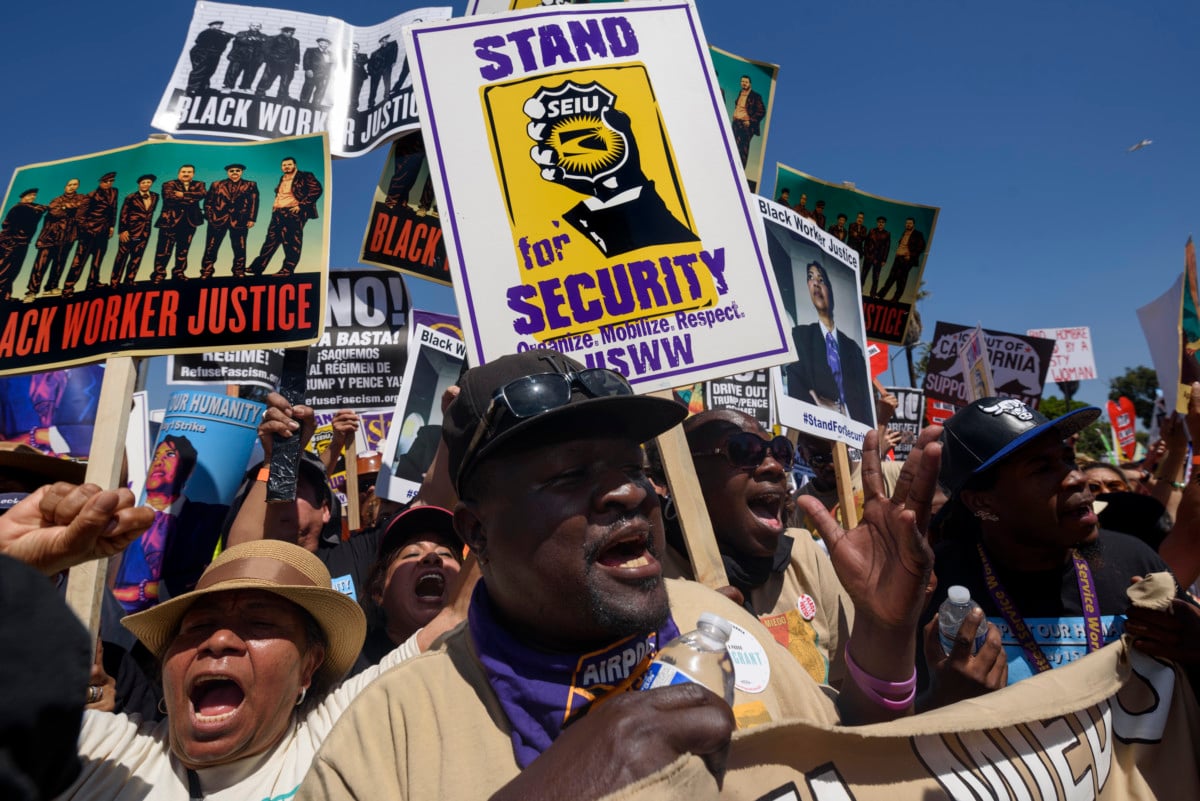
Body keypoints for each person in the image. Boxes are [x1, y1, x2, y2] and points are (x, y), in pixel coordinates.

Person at [300, 350, 947, 799]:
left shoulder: (717, 624)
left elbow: (851, 760)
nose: (629, 495)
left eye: (632, 467)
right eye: (570, 476)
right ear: (475, 534)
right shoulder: (387, 729)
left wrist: (886, 640)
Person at [924, 396, 1197, 688]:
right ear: (982, 502)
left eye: (1068, 460)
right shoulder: (937, 585)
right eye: (1042, 468)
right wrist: (942, 701)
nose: (1077, 478)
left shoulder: (1133, 559)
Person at [664, 409, 851, 686]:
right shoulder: (660, 586)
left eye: (780, 451)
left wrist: (886, 626)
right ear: (685, 476)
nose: (774, 466)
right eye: (743, 450)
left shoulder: (804, 556)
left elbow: (852, 694)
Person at [111, 435, 227, 612]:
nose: (159, 461)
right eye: (156, 457)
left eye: (170, 455)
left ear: (189, 470)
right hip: (114, 628)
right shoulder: (124, 520)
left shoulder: (213, 517)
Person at [353, 505, 464, 672]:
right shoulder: (349, 666)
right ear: (378, 591)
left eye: (445, 554)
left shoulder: (489, 656)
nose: (432, 557)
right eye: (412, 554)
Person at [784, 261, 873, 424]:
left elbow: (865, 405)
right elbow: (797, 392)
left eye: (821, 279)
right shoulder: (800, 337)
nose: (816, 283)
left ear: (830, 290)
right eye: (810, 278)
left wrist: (843, 411)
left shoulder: (853, 349)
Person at [247, 157, 323, 278]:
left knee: (292, 241)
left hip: (293, 212)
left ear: (295, 165)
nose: (286, 167)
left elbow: (317, 189)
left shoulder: (305, 176)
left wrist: (302, 205)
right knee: (270, 240)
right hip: (278, 212)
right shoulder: (282, 178)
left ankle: (287, 269)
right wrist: (275, 206)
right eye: (284, 165)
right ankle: (257, 267)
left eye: (289, 164)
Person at [23, 178, 86, 300]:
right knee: (40, 266)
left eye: (75, 185)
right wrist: (68, 209)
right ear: (65, 187)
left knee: (59, 264)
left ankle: (51, 288)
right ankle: (31, 292)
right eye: (69, 185)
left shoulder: (81, 198)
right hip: (50, 238)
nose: (72, 187)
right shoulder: (57, 200)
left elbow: (82, 210)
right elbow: (54, 212)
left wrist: (66, 207)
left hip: (67, 238)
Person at [62, 172, 118, 296]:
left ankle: (93, 283)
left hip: (103, 232)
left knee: (98, 260)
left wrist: (112, 226)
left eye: (111, 181)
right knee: (79, 261)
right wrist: (87, 230)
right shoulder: (91, 196)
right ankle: (67, 288)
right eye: (106, 181)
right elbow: (80, 217)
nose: (108, 184)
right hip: (89, 233)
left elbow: (113, 210)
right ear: (100, 182)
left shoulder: (114, 192)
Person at [201, 163, 258, 278]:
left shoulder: (250, 184)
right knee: (211, 246)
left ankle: (239, 271)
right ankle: (206, 271)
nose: (235, 173)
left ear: (241, 172)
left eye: (237, 170)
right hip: (217, 219)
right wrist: (210, 217)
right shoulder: (217, 184)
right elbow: (208, 202)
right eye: (232, 171)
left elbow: (254, 203)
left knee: (240, 247)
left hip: (240, 220)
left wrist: (252, 218)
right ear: (228, 172)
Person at [151, 165, 205, 283]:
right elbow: (170, 199)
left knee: (183, 250)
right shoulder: (168, 184)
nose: (186, 174)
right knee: (163, 251)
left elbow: (202, 195)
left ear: (193, 174)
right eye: (183, 171)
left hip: (190, 222)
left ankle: (178, 273)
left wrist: (183, 195)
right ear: (178, 173)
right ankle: (159, 274)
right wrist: (191, 198)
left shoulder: (199, 184)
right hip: (170, 222)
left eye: (189, 172)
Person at [109, 175, 158, 286]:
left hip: (144, 232)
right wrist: (122, 230)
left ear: (151, 184)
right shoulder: (130, 197)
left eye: (148, 182)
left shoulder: (155, 196)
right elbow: (123, 214)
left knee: (137, 257)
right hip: (130, 232)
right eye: (143, 182)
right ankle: (114, 282)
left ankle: (129, 280)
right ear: (139, 184)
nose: (146, 184)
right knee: (122, 257)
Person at [0, 189, 46, 301]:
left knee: (13, 270)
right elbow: (6, 224)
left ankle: (5, 296)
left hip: (21, 243)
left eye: (34, 196)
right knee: (5, 269)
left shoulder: (29, 207)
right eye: (30, 195)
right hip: (11, 243)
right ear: (23, 196)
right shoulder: (19, 208)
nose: (33, 197)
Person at [876, 216, 926, 301]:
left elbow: (922, 247)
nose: (908, 225)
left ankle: (896, 298)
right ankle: (880, 295)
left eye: (910, 223)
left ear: (913, 224)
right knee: (891, 277)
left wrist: (911, 255)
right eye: (907, 223)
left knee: (901, 279)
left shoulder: (918, 234)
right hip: (898, 258)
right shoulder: (904, 233)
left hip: (906, 260)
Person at [185, 20, 233, 94]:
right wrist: (225, 37)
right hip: (202, 53)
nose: (219, 26)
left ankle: (204, 87)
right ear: (211, 25)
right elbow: (199, 42)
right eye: (217, 24)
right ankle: (192, 88)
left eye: (220, 25)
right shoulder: (206, 32)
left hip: (213, 54)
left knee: (209, 71)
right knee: (199, 70)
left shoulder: (219, 33)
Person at [729, 74, 765, 168]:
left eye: (746, 82)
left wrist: (750, 121)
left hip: (746, 125)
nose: (744, 83)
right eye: (742, 81)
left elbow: (762, 111)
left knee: (742, 150)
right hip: (736, 123)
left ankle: (739, 173)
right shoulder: (740, 93)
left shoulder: (755, 96)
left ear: (750, 84)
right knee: (732, 147)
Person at [256, 26, 300, 100]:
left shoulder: (295, 41)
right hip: (274, 63)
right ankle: (260, 92)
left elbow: (296, 53)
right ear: (283, 32)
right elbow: (266, 49)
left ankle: (282, 95)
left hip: (288, 65)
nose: (290, 34)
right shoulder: (274, 38)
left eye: (292, 32)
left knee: (286, 80)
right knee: (267, 78)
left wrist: (296, 63)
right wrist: (273, 57)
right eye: (288, 32)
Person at [222, 22, 266, 92]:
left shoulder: (263, 36)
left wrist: (261, 59)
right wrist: (252, 39)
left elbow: (264, 45)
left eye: (257, 26)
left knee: (250, 74)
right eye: (253, 25)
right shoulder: (241, 33)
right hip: (239, 57)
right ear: (249, 26)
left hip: (254, 59)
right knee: (233, 72)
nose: (255, 27)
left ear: (260, 28)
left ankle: (245, 87)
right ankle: (228, 87)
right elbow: (240, 40)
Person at [862, 215, 890, 296]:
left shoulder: (887, 234)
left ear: (884, 224)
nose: (881, 224)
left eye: (882, 222)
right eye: (879, 222)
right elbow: (866, 243)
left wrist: (884, 260)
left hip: (879, 259)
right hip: (869, 256)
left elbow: (887, 248)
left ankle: (873, 294)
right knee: (863, 274)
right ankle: (859, 290)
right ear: (877, 223)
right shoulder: (872, 231)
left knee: (876, 277)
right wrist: (866, 253)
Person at [367, 34, 398, 108]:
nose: (384, 42)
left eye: (385, 40)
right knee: (373, 88)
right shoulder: (375, 53)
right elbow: (370, 64)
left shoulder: (392, 45)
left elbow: (395, 50)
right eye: (382, 41)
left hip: (386, 68)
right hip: (376, 71)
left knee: (387, 83)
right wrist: (372, 72)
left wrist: (394, 61)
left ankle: (387, 98)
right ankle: (371, 104)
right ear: (380, 42)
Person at [300, 38, 333, 105]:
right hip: (312, 73)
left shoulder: (331, 54)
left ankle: (315, 105)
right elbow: (306, 60)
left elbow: (331, 65)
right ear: (318, 43)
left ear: (328, 45)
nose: (324, 45)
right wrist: (308, 69)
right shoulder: (311, 50)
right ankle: (303, 103)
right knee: (308, 88)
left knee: (321, 90)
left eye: (326, 44)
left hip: (324, 75)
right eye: (322, 43)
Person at [348, 43, 368, 111]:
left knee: (356, 92)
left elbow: (363, 62)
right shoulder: (345, 55)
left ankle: (354, 107)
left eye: (356, 47)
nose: (354, 48)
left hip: (359, 78)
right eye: (353, 47)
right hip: (348, 77)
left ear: (358, 49)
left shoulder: (363, 55)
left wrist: (353, 61)